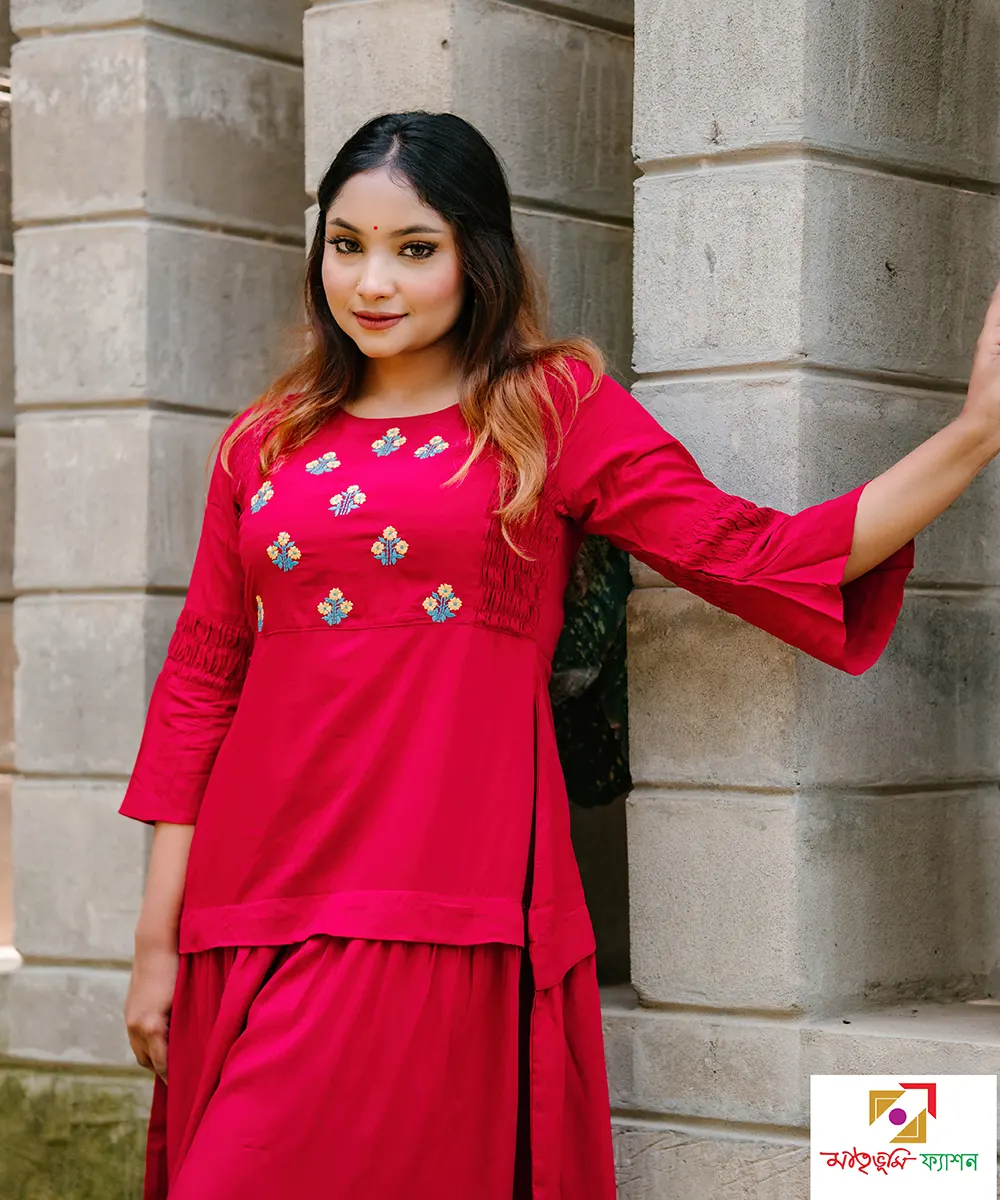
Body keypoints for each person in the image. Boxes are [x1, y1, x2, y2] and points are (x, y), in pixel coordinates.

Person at [119, 110, 1000, 1200]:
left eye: (414, 248)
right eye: (346, 245)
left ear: (477, 257)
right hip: (249, 903)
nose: (372, 283)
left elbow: (752, 554)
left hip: (439, 897)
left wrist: (975, 431)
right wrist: (156, 941)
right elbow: (202, 682)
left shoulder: (547, 410)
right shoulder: (265, 440)